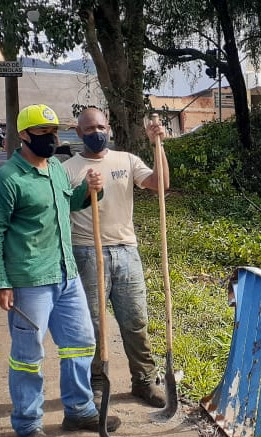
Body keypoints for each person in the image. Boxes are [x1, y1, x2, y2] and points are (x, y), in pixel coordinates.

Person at [0, 104, 120, 437]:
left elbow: (69, 204)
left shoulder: (57, 168)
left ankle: (79, 409)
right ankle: (27, 424)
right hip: (29, 279)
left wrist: (92, 189)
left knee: (81, 342)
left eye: (54, 132)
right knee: (28, 355)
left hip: (65, 273)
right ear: (24, 136)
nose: (52, 138)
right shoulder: (6, 180)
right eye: (43, 133)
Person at [63, 108, 169, 408]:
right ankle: (97, 382)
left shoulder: (126, 160)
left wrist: (157, 145)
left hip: (126, 251)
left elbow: (159, 183)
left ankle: (144, 380)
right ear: (79, 132)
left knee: (135, 320)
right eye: (88, 128)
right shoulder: (69, 169)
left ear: (108, 128)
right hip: (87, 252)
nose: (95, 132)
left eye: (100, 126)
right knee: (93, 325)